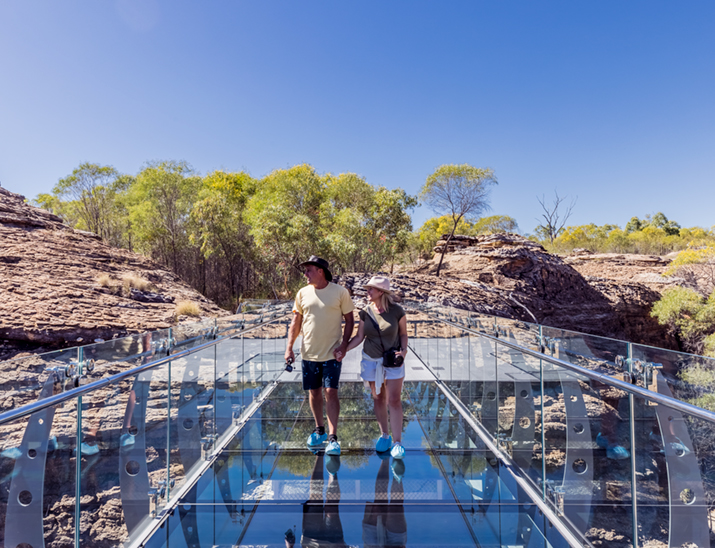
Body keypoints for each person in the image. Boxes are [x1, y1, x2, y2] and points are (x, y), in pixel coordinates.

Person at [285, 256, 355, 456]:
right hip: (308, 353)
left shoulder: (340, 293)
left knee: (331, 392)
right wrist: (289, 347)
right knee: (314, 392)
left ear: (320, 271)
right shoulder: (302, 293)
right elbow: (295, 323)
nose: (305, 274)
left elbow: (350, 321)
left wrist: (344, 345)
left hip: (332, 354)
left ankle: (333, 438)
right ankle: (319, 430)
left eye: (308, 270)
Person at [346, 276, 408, 460]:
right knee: (378, 398)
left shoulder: (397, 311)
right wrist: (343, 349)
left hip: (392, 360)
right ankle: (385, 436)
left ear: (381, 292)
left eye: (371, 289)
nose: (367, 292)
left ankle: (398, 443)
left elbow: (403, 334)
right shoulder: (365, 312)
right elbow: (359, 337)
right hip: (371, 361)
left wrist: (403, 352)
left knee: (394, 400)